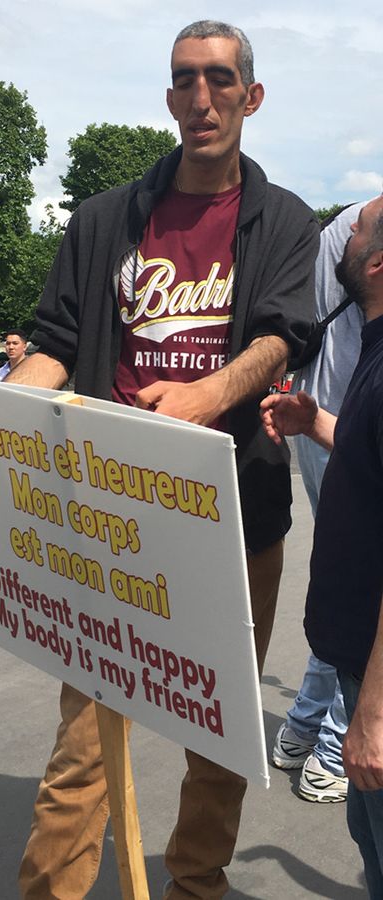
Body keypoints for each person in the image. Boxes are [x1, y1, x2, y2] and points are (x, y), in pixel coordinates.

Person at [0, 20, 318, 899]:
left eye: (221, 80)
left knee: (217, 733)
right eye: (185, 80)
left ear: (250, 97)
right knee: (86, 739)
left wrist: (204, 400)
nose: (203, 98)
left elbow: (279, 336)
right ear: (170, 96)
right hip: (112, 519)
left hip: (237, 521)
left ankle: (195, 887)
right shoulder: (107, 219)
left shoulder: (285, 220)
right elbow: (57, 342)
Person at [258, 194, 383, 896]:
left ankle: (323, 738)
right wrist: (319, 424)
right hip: (352, 655)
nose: (342, 231)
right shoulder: (371, 349)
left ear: (375, 260)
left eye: (357, 227)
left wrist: (369, 718)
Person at [268, 201, 367, 804]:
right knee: (366, 596)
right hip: (358, 423)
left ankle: (304, 729)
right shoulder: (369, 224)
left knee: (343, 581)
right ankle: (333, 750)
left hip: (319, 420)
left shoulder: (347, 222)